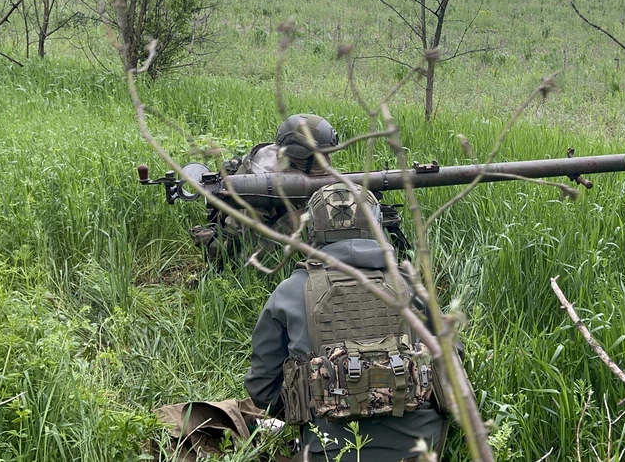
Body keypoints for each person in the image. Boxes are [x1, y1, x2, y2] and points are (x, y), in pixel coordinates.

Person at [244, 183, 448, 462]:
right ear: (377, 225)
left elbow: (262, 389)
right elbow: (452, 358)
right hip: (423, 448)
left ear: (313, 230)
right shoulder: (408, 285)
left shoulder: (291, 291)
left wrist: (311, 401)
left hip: (327, 451)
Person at [189, 114, 341, 259]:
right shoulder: (255, 189)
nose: (328, 161)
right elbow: (250, 257)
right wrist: (291, 223)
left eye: (329, 154)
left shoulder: (303, 169)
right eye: (322, 156)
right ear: (299, 156)